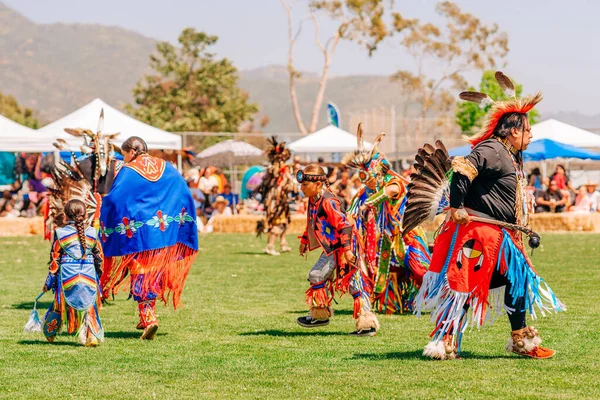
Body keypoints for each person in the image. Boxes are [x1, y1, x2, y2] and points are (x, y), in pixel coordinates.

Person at [414, 72, 565, 360]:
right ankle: (444, 340)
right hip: (480, 235)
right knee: (466, 287)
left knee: (517, 278)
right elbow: (463, 169)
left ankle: (522, 341)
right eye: (527, 130)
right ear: (512, 131)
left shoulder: (507, 154)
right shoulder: (492, 149)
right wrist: (457, 206)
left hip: (500, 236)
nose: (531, 135)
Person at [99, 137, 198, 340]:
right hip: (163, 234)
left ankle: (149, 318)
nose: (124, 159)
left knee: (141, 273)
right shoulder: (165, 166)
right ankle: (146, 316)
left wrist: (103, 204)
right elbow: (182, 190)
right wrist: (174, 218)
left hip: (141, 234)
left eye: (124, 155)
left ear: (132, 152)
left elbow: (116, 198)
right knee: (153, 273)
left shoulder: (129, 170)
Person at [342, 124, 430, 315]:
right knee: (387, 276)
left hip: (407, 238)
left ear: (379, 173)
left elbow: (391, 192)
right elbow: (352, 212)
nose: (367, 183)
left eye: (370, 178)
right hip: (383, 243)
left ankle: (439, 296)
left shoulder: (393, 183)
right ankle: (397, 303)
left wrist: (370, 202)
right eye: (364, 179)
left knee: (420, 271)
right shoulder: (363, 193)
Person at [296, 164, 379, 336]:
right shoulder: (314, 199)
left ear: (318, 185)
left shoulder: (328, 202)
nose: (301, 188)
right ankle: (320, 314)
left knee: (351, 283)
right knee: (329, 278)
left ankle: (366, 323)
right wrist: (305, 240)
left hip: (344, 247)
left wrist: (348, 251)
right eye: (301, 184)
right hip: (335, 248)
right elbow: (312, 222)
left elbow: (345, 226)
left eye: (305, 185)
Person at [42, 199, 104, 347]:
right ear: (84, 215)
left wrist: (49, 282)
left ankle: (50, 332)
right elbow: (99, 258)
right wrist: (98, 276)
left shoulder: (60, 233)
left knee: (60, 304)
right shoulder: (92, 233)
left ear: (65, 216)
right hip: (88, 277)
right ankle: (91, 335)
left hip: (67, 278)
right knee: (90, 306)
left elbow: (55, 261)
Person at [256, 137, 296, 256]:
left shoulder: (281, 169)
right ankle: (270, 246)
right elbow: (271, 183)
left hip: (281, 201)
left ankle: (283, 243)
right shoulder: (274, 170)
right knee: (278, 223)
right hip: (275, 201)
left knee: (286, 221)